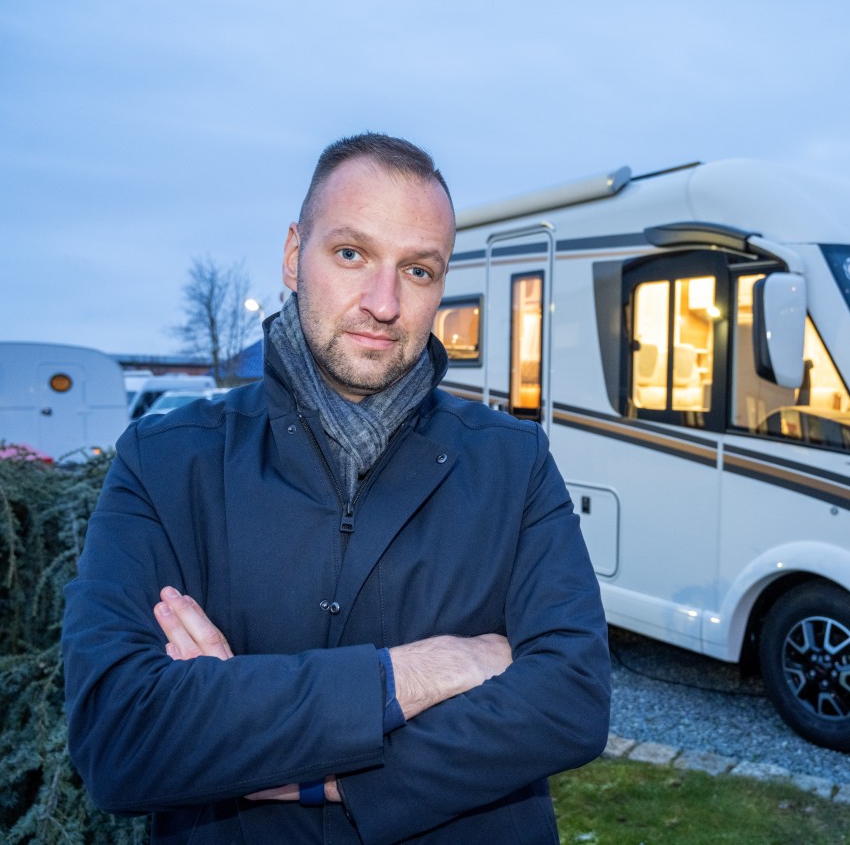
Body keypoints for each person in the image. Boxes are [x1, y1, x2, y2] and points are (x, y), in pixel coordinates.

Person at [62, 133, 612, 844]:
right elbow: (120, 734)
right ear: (295, 255)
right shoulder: (168, 461)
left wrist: (299, 760)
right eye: (351, 254)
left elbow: (571, 700)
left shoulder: (513, 461)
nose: (383, 303)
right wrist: (431, 668)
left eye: (417, 270)